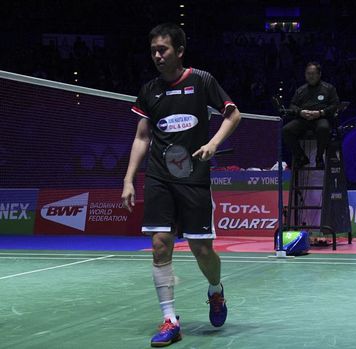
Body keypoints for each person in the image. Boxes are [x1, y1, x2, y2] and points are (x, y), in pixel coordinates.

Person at [121, 23, 241, 347]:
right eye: (153, 51)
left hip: (194, 177)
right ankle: (170, 319)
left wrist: (214, 143)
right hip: (159, 177)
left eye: (163, 49)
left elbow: (233, 114)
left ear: (180, 51)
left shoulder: (201, 81)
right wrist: (129, 179)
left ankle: (215, 290)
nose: (158, 56)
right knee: (160, 244)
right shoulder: (149, 90)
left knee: (202, 249)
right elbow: (142, 136)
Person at [282, 62, 339, 169]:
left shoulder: (328, 88)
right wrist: (300, 112)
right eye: (308, 74)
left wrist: (321, 112)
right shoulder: (300, 90)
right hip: (304, 119)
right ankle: (301, 157)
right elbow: (292, 105)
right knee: (286, 130)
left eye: (313, 73)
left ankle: (319, 158)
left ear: (319, 74)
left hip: (320, 118)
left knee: (324, 128)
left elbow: (335, 105)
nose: (311, 76)